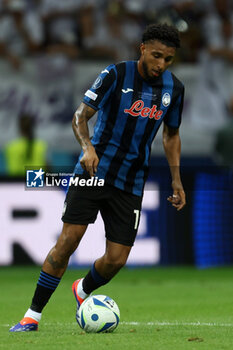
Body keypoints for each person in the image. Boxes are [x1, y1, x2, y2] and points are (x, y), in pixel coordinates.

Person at [10, 23, 186, 332]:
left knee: (116, 259)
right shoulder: (116, 75)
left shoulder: (175, 89)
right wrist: (87, 147)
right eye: (156, 56)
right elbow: (80, 116)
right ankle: (32, 315)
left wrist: (176, 179)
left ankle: (82, 290)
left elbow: (171, 136)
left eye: (168, 59)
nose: (161, 65)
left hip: (131, 181)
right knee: (68, 241)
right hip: (93, 172)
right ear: (142, 49)